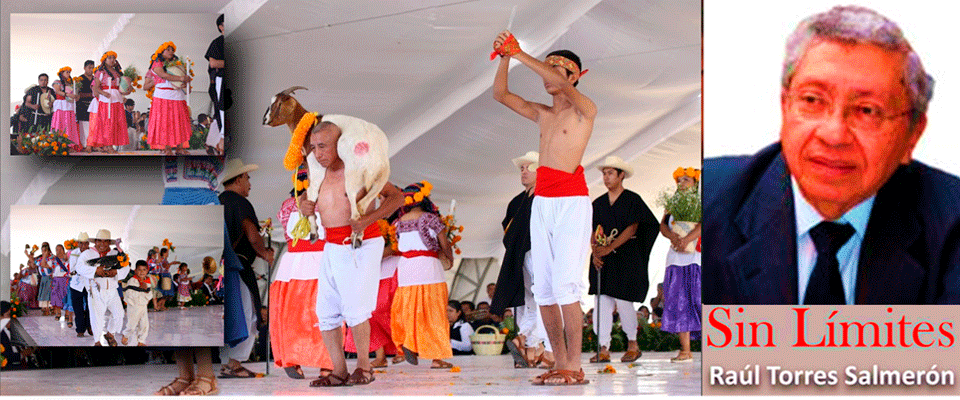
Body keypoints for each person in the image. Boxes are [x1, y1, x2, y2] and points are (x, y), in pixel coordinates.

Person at [702, 6, 960, 305]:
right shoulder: (709, 202)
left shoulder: (951, 226)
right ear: (785, 107)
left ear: (912, 135)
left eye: (867, 110)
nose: (834, 135)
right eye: (812, 100)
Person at [493, 29, 597, 385]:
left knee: (567, 285)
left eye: (559, 69)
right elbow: (501, 94)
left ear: (575, 77)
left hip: (571, 201)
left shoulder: (585, 110)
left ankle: (574, 364)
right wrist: (505, 56)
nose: (550, 75)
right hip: (544, 202)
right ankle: (558, 361)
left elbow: (562, 85)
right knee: (545, 289)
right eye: (548, 67)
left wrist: (521, 53)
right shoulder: (542, 114)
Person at [298, 116, 403, 387]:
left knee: (356, 308)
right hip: (331, 246)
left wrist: (369, 219)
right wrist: (304, 205)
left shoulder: (360, 169)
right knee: (326, 311)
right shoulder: (317, 173)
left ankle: (365, 368)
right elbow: (307, 198)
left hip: (361, 243)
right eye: (314, 147)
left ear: (341, 145)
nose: (318, 153)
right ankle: (339, 370)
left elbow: (397, 197)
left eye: (324, 146)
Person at [154, 156, 224, 396]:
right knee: (175, 310)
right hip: (171, 200)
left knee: (198, 308)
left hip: (202, 200)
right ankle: (185, 376)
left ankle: (207, 375)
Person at [588, 156, 660, 363]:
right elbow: (594, 230)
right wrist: (595, 252)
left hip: (626, 258)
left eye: (610, 173)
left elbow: (633, 227)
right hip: (604, 260)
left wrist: (610, 247)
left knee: (624, 301)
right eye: (604, 173)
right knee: (601, 301)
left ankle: (633, 344)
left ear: (621, 175)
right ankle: (603, 348)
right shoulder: (598, 203)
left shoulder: (632, 200)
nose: (606, 177)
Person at [270, 178, 334, 380]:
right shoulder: (326, 202)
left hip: (293, 264)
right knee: (324, 313)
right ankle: (328, 362)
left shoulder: (287, 205)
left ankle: (292, 358)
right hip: (320, 260)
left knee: (292, 315)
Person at [219, 158, 274, 380]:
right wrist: (265, 253)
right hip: (238, 266)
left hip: (221, 270)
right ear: (239, 178)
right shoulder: (241, 203)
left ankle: (226, 363)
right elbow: (252, 235)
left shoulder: (218, 200)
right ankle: (234, 363)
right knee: (249, 313)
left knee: (230, 315)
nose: (249, 183)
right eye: (248, 178)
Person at [390, 182, 455, 370]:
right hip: (428, 269)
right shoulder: (430, 219)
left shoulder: (399, 222)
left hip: (406, 270)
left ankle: (408, 343)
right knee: (434, 313)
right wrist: (449, 259)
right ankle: (437, 357)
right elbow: (444, 243)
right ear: (424, 198)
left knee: (409, 311)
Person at [345, 221, 402, 368]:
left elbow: (397, 246)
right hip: (371, 271)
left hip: (393, 268)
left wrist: (373, 254)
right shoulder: (367, 221)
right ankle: (380, 356)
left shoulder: (397, 222)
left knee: (392, 311)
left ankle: (401, 348)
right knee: (370, 312)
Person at [659, 168, 701, 362]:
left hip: (695, 257)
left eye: (687, 180)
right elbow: (663, 225)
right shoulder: (671, 204)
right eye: (680, 180)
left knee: (698, 299)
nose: (682, 183)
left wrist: (686, 240)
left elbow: (703, 224)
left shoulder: (700, 202)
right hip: (675, 258)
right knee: (679, 301)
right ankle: (685, 350)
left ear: (695, 183)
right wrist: (673, 237)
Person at [75, 229, 129, 347]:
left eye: (105, 241)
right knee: (96, 317)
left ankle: (110, 333)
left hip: (112, 290)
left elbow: (126, 267)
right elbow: (79, 267)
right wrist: (95, 270)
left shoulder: (116, 254)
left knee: (119, 314)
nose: (102, 244)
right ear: (96, 242)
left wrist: (116, 272)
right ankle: (97, 341)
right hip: (95, 290)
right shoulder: (87, 253)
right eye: (100, 241)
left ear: (109, 243)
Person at [146, 42, 193, 155]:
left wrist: (185, 83)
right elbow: (163, 75)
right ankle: (167, 148)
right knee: (165, 123)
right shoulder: (157, 63)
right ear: (161, 51)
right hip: (163, 96)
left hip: (177, 95)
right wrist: (181, 77)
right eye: (168, 49)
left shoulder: (177, 64)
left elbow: (182, 79)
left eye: (172, 50)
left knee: (180, 121)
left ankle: (180, 148)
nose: (171, 52)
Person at [88, 51, 133, 153]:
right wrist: (103, 93)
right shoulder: (100, 72)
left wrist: (128, 89)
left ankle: (111, 145)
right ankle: (107, 146)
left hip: (116, 99)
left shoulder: (117, 72)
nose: (112, 60)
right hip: (106, 100)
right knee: (107, 122)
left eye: (113, 58)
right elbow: (95, 87)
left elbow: (122, 88)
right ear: (104, 59)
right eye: (110, 58)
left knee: (116, 122)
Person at [205, 14, 226, 155]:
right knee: (223, 109)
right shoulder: (217, 42)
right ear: (221, 26)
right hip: (222, 79)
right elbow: (213, 63)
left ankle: (213, 143)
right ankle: (221, 140)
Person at [121, 260, 153, 346]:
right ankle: (126, 334)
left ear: (147, 271)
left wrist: (145, 290)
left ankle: (141, 341)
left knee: (144, 325)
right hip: (133, 306)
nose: (142, 272)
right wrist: (141, 288)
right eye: (139, 269)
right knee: (132, 325)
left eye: (144, 270)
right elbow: (129, 294)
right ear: (135, 270)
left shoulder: (148, 281)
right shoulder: (132, 280)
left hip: (143, 306)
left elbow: (150, 295)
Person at [51, 67, 81, 151]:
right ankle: (59, 144)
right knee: (60, 124)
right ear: (61, 73)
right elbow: (57, 91)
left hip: (69, 105)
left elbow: (75, 94)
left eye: (69, 72)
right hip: (61, 105)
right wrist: (67, 94)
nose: (68, 74)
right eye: (67, 72)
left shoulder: (71, 84)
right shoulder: (57, 82)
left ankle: (70, 145)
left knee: (69, 124)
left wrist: (76, 96)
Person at [68, 232, 92, 337]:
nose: (83, 246)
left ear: (88, 244)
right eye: (80, 243)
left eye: (85, 244)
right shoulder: (74, 253)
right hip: (76, 284)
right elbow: (72, 269)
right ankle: (80, 329)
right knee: (78, 308)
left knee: (91, 306)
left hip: (89, 284)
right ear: (78, 244)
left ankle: (90, 326)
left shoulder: (92, 253)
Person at [27, 243, 54, 315]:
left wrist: (45, 256)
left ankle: (49, 308)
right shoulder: (41, 258)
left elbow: (43, 264)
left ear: (48, 251)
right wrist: (27, 255)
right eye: (42, 251)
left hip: (49, 278)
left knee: (48, 294)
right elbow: (34, 262)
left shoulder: (51, 258)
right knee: (43, 293)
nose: (43, 252)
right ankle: (45, 308)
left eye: (45, 251)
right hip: (43, 278)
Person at [50, 244, 72, 325]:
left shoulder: (67, 258)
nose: (58, 251)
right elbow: (50, 268)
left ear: (63, 250)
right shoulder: (54, 259)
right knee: (56, 296)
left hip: (65, 279)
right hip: (56, 279)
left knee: (65, 296)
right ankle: (58, 313)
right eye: (57, 249)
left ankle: (66, 314)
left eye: (60, 249)